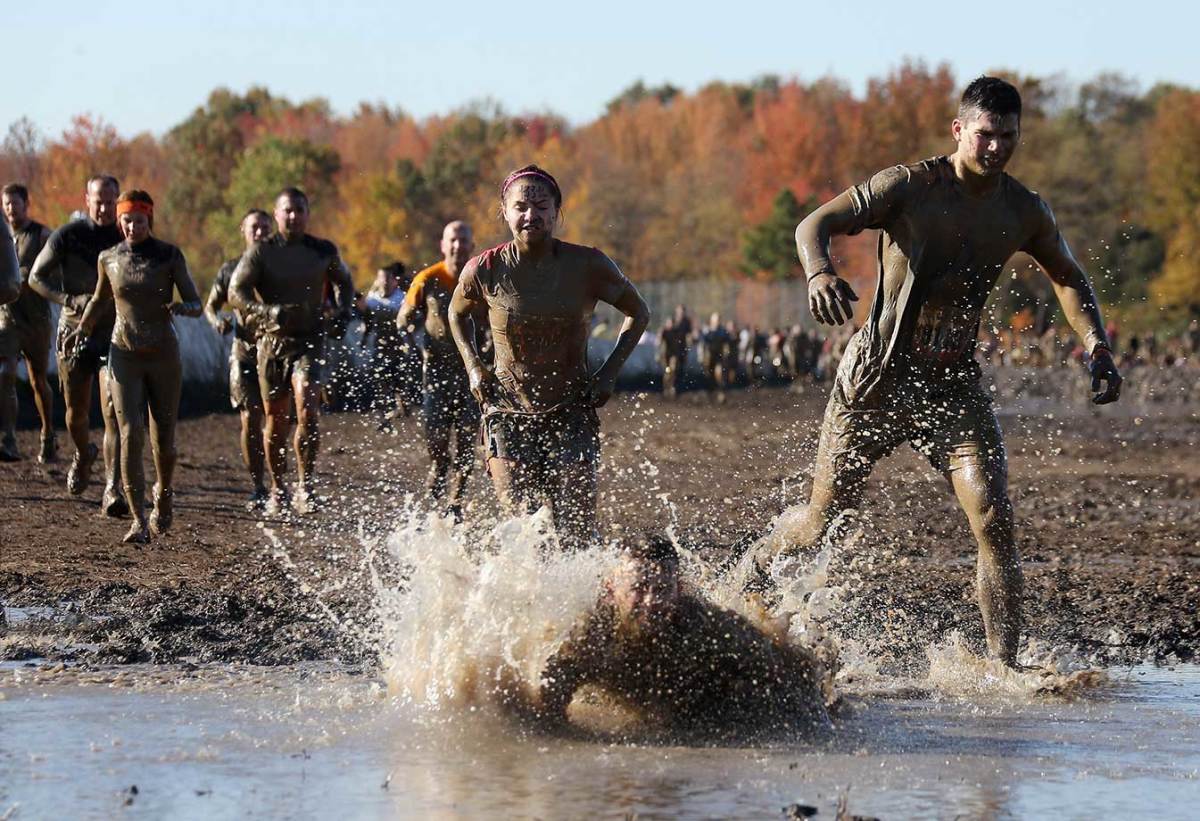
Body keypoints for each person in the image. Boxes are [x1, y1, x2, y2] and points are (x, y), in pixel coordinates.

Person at [754, 76, 1122, 667]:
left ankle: (1004, 666)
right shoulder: (908, 185)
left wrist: (1096, 345)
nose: (996, 148)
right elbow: (811, 226)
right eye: (985, 135)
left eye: (1008, 136)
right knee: (822, 522)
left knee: (995, 519)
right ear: (958, 130)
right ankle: (753, 573)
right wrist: (819, 273)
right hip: (875, 377)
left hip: (951, 384)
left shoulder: (1024, 210)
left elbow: (1068, 276)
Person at [449, 165, 650, 548]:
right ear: (504, 211)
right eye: (521, 206)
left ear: (557, 211)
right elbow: (456, 313)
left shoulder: (588, 265)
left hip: (571, 408)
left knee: (575, 530)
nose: (531, 215)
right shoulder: (486, 268)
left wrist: (609, 373)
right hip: (507, 410)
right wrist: (473, 366)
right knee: (525, 532)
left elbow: (638, 312)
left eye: (542, 206)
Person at [516, 537, 830, 738]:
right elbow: (549, 702)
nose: (652, 601)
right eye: (638, 589)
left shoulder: (702, 623)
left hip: (702, 707)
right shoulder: (591, 634)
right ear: (610, 591)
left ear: (678, 591)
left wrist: (816, 719)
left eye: (662, 590)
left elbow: (773, 660)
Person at [70, 191, 201, 543]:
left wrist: (185, 308)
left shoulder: (169, 256)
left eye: (139, 220)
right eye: (126, 220)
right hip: (123, 352)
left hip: (162, 355)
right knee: (130, 433)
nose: (132, 226)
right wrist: (82, 327)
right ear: (119, 221)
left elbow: (195, 300)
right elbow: (100, 298)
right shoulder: (108, 258)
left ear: (150, 221)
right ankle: (138, 519)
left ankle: (164, 494)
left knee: (164, 442)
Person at [230, 187, 355, 515]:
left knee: (308, 410)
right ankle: (277, 486)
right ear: (277, 214)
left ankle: (306, 486)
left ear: (308, 214)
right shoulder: (260, 252)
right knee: (276, 419)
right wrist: (265, 312)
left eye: (300, 210)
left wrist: (342, 311)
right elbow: (236, 291)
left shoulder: (322, 250)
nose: (294, 216)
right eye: (288, 210)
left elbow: (344, 281)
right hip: (272, 344)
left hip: (310, 339)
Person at [28, 175, 125, 512]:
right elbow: (36, 277)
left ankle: (113, 487)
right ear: (87, 199)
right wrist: (67, 298)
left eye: (111, 201)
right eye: (99, 200)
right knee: (76, 414)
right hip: (74, 332)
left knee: (114, 410)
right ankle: (84, 453)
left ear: (118, 201)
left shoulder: (124, 237)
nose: (105, 207)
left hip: (113, 333)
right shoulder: (68, 236)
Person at [397, 223, 479, 517]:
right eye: (453, 241)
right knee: (436, 436)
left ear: (472, 245)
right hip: (435, 371)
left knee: (468, 437)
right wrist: (409, 339)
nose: (458, 246)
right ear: (443, 245)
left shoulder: (480, 277)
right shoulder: (428, 279)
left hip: (472, 370)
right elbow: (403, 316)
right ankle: (439, 464)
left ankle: (456, 501)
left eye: (463, 241)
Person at [204, 208, 273, 508]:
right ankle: (258, 486)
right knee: (250, 418)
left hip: (277, 351)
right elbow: (211, 305)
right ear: (242, 232)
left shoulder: (282, 268)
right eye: (254, 227)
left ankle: (283, 482)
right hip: (244, 350)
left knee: (277, 419)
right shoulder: (230, 269)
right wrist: (217, 320)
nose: (259, 233)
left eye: (265, 228)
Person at [1, 184, 55, 462]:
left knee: (38, 381)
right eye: (6, 204)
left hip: (36, 319)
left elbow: (54, 267)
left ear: (26, 204)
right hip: (8, 317)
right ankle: (8, 439)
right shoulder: (1, 236)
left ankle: (48, 434)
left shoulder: (40, 234)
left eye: (15, 203)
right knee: (5, 373)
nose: (10, 209)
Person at [359, 261, 416, 429]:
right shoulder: (372, 300)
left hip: (399, 348)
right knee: (381, 384)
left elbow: (411, 322)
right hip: (380, 349)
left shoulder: (401, 299)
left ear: (394, 281)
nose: (384, 281)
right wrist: (363, 341)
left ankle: (405, 413)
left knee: (401, 385)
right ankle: (383, 419)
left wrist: (412, 345)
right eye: (381, 278)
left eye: (387, 278)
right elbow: (367, 323)